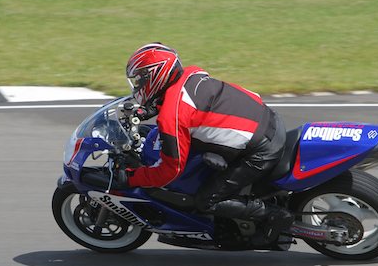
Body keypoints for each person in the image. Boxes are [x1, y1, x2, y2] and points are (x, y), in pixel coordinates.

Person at [124, 42, 293, 244]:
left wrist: (133, 177)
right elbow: (184, 104)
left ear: (155, 76)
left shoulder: (172, 117)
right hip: (269, 120)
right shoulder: (191, 74)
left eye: (140, 79)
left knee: (206, 200)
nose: (137, 85)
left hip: (261, 150)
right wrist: (152, 108)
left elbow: (171, 170)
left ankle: (273, 215)